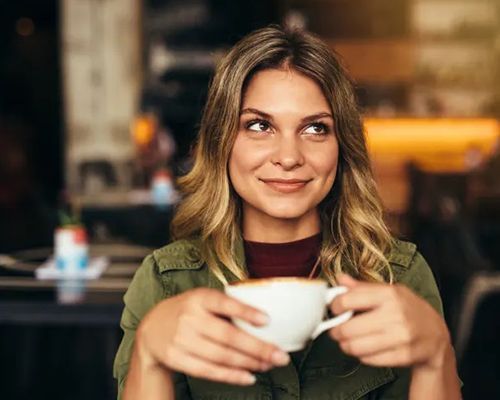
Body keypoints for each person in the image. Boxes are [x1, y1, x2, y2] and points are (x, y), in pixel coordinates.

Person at [114, 26, 461, 399]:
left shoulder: (400, 276)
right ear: (222, 142)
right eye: (259, 126)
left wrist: (436, 356)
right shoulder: (165, 283)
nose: (289, 157)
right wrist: (149, 355)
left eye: (315, 128)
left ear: (342, 147)